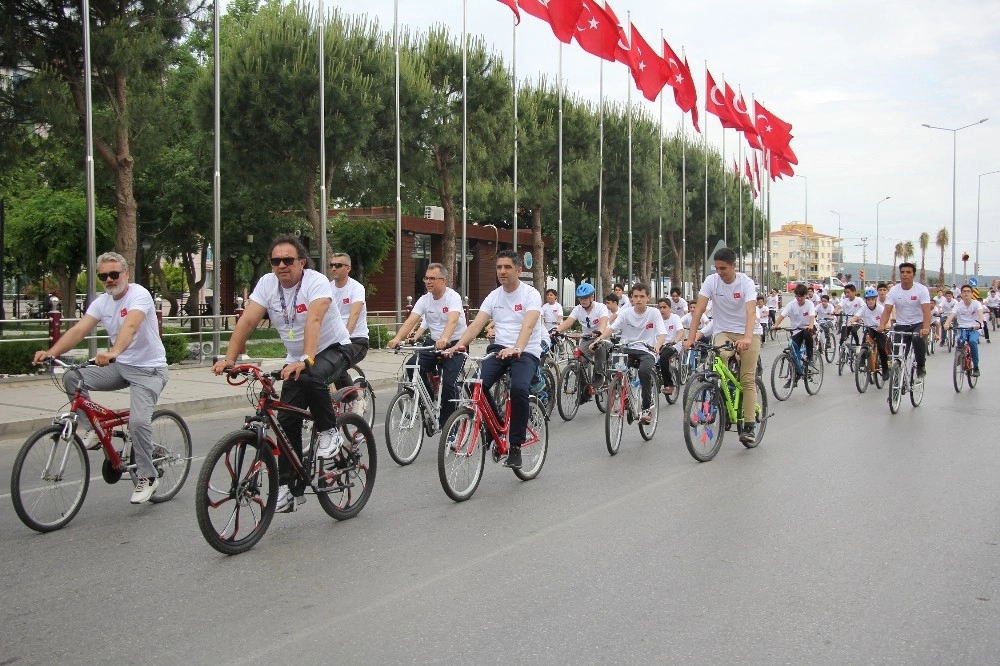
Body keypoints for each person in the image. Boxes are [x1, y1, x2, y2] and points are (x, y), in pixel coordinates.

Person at [213, 234, 352, 513]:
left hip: (333, 347)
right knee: (286, 419)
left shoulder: (315, 282)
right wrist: (230, 358)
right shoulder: (267, 284)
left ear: (301, 262)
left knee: (311, 375)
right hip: (295, 357)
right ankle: (289, 488)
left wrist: (307, 359)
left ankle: (329, 431)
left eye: (287, 260)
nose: (281, 266)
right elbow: (248, 320)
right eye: (275, 261)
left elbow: (314, 320)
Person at [33, 251, 168, 505]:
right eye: (103, 275)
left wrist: (114, 351)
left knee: (138, 423)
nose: (109, 279)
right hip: (119, 367)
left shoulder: (139, 295)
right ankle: (91, 429)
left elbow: (131, 326)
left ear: (126, 274)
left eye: (114, 274)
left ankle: (148, 476)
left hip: (149, 370)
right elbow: (79, 330)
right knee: (72, 377)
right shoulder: (101, 302)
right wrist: (51, 353)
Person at [449, 250, 543, 469]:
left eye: (507, 267)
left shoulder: (531, 295)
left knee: (519, 389)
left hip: (526, 350)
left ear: (519, 270)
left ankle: (516, 445)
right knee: (473, 384)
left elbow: (528, 325)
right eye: (499, 267)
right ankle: (496, 426)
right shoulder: (494, 296)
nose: (502, 271)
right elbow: (475, 325)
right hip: (500, 349)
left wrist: (517, 347)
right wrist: (457, 345)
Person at [684, 247, 759, 444]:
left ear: (734, 266)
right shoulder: (711, 281)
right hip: (723, 331)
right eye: (716, 268)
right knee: (720, 361)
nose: (720, 272)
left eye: (723, 268)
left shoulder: (746, 283)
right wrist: (691, 338)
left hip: (748, 332)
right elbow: (699, 309)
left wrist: (748, 338)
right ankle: (722, 400)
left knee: (747, 380)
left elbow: (751, 312)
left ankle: (749, 425)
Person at [387, 263, 467, 426]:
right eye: (426, 278)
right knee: (411, 366)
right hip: (434, 343)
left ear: (443, 280)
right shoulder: (424, 300)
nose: (428, 281)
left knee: (448, 383)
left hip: (455, 342)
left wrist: (445, 338)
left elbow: (452, 322)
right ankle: (429, 401)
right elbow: (411, 320)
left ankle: (449, 426)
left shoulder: (453, 297)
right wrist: (397, 338)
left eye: (432, 278)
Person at [590, 284, 665, 424]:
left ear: (648, 298)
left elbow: (662, 333)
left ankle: (646, 408)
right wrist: (598, 340)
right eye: (635, 296)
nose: (638, 299)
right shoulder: (626, 313)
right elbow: (612, 328)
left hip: (647, 351)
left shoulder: (654, 313)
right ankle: (623, 396)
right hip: (627, 349)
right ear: (631, 298)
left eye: (642, 296)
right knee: (616, 369)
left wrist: (657, 345)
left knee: (644, 371)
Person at [878, 262, 932, 378]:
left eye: (908, 272)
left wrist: (926, 328)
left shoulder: (921, 290)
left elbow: (926, 312)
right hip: (901, 325)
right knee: (897, 356)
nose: (905, 275)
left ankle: (920, 366)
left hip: (918, 324)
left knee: (917, 338)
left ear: (913, 275)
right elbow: (887, 311)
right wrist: (882, 325)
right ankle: (896, 384)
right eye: (902, 272)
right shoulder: (893, 291)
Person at [553, 283, 610, 388]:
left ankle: (599, 374)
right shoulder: (578, 309)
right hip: (587, 337)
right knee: (580, 362)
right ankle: (584, 388)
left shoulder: (600, 308)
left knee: (600, 348)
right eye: (580, 299)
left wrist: (599, 333)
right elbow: (569, 321)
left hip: (601, 336)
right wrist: (557, 330)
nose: (582, 301)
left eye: (585, 298)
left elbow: (603, 323)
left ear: (592, 297)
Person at [328, 252, 369, 394]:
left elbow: (355, 314)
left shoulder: (356, 288)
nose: (333, 268)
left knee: (336, 364)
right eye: (331, 265)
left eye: (338, 265)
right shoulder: (328, 288)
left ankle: (355, 399)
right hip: (334, 341)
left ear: (348, 268)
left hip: (356, 340)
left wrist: (344, 337)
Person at [944, 284, 984, 377]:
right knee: (959, 340)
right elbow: (952, 315)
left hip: (974, 328)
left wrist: (980, 323)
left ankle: (976, 367)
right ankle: (959, 357)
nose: (966, 293)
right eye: (964, 291)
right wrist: (946, 324)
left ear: (971, 293)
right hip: (962, 327)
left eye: (968, 291)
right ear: (961, 294)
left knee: (972, 342)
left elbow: (980, 314)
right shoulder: (958, 305)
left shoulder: (976, 304)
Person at [849, 287, 889, 378]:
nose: (870, 301)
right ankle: (862, 360)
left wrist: (884, 327)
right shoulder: (864, 308)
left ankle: (885, 369)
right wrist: (850, 321)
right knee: (864, 344)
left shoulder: (880, 309)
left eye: (872, 299)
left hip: (879, 330)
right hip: (869, 329)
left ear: (876, 299)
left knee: (882, 349)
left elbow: (888, 322)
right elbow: (856, 316)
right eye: (868, 300)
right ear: (865, 300)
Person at [773, 283, 816, 364]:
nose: (799, 299)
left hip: (808, 328)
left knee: (807, 334)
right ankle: (795, 372)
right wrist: (775, 325)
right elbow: (782, 315)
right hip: (796, 329)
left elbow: (812, 315)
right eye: (797, 296)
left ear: (806, 295)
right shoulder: (791, 304)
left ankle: (810, 356)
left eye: (801, 296)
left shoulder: (809, 304)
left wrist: (810, 326)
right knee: (793, 351)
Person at [656, 297, 683, 396]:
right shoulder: (656, 319)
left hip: (674, 345)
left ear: (670, 308)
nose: (662, 310)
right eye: (660, 307)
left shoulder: (675, 318)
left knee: (664, 357)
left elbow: (680, 331)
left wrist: (675, 341)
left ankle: (669, 384)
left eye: (664, 307)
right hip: (660, 344)